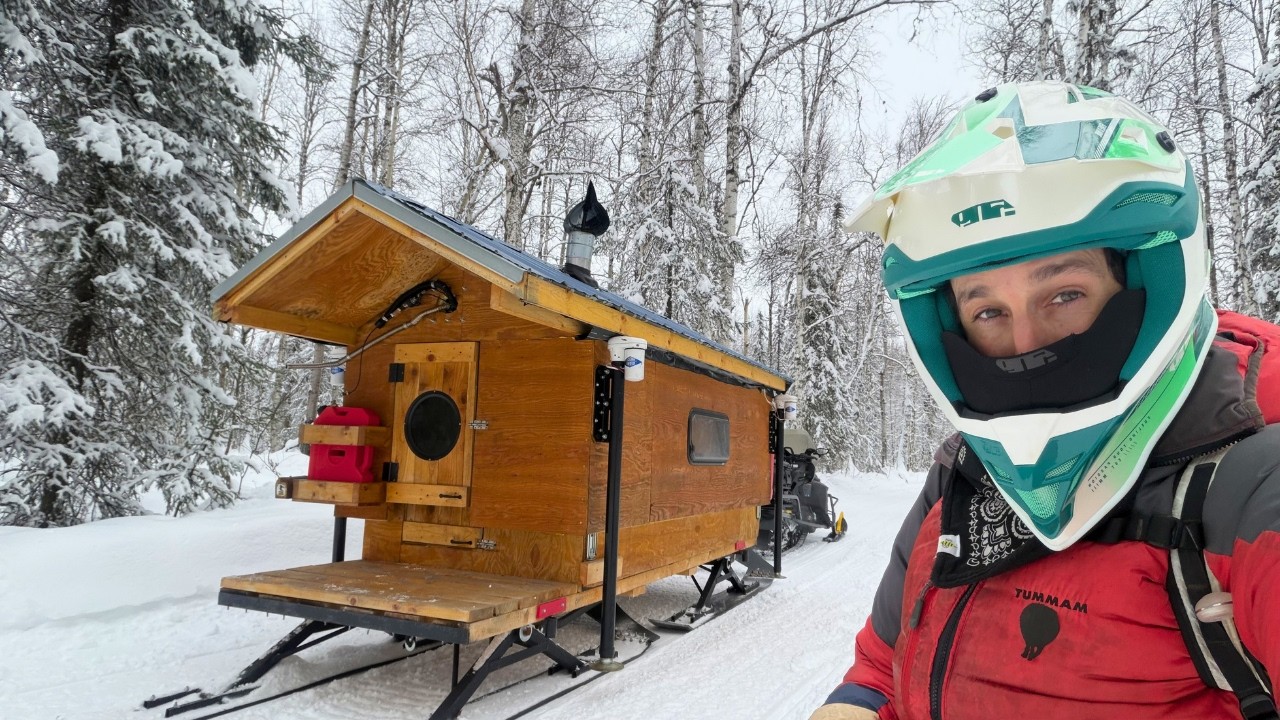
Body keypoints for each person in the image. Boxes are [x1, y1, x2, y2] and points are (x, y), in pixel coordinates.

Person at [810, 81, 1279, 720]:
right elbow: (884, 662)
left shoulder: (1251, 483)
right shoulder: (961, 473)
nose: (1023, 344)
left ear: (1141, 285)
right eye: (987, 310)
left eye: (1064, 294)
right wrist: (856, 705)